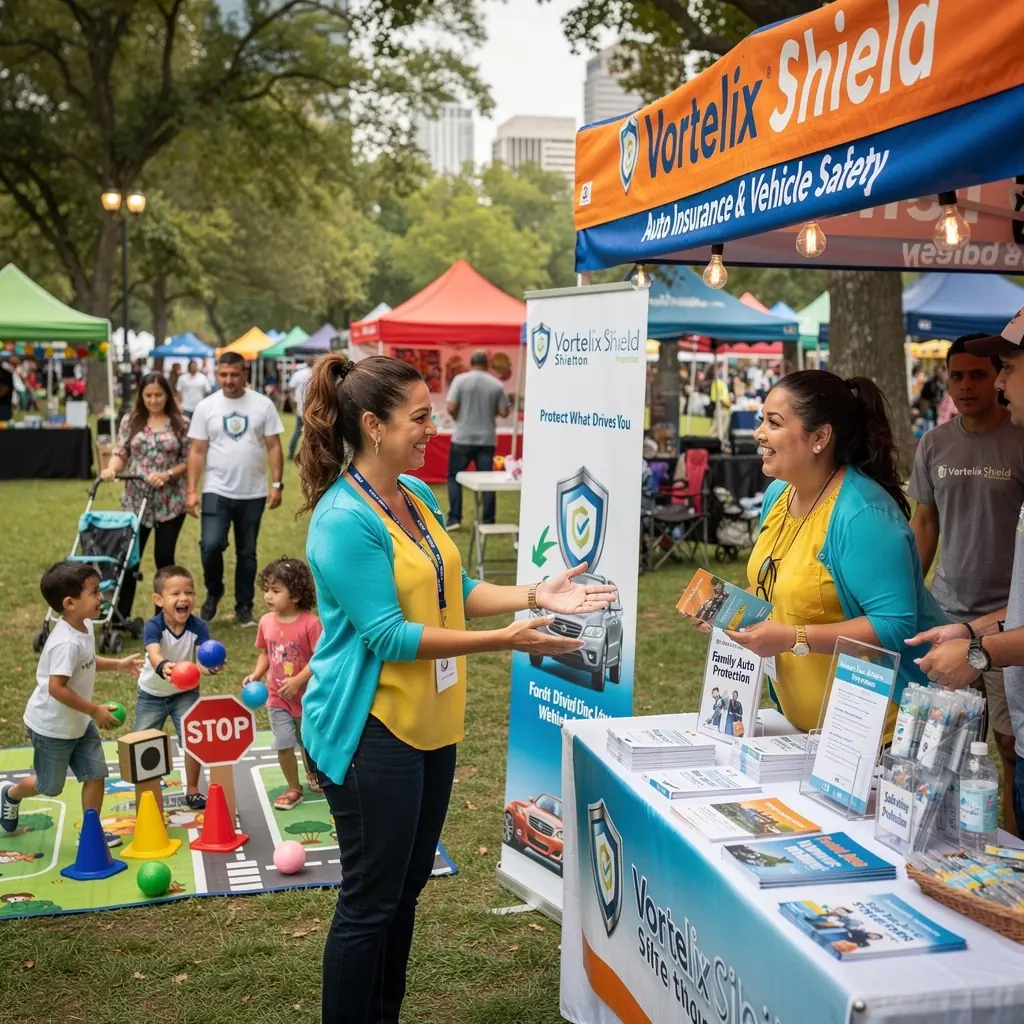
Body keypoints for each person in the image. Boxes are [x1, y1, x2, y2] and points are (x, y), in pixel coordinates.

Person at [297, 353, 616, 1024]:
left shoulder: (414, 496)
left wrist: (536, 590)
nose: (433, 426)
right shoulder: (342, 520)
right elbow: (388, 635)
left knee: (404, 889)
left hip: (429, 722)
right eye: (419, 416)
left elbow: (454, 590)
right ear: (373, 426)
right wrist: (507, 640)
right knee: (370, 900)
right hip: (369, 731)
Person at [684, 370, 944, 733]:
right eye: (761, 420)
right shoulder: (779, 494)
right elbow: (789, 592)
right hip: (803, 728)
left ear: (820, 437)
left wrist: (794, 638)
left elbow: (895, 625)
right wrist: (730, 612)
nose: (759, 433)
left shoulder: (862, 515)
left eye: (773, 423)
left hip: (879, 736)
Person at [909, 309, 1024, 835]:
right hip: (955, 615)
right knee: (948, 737)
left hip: (1007, 623)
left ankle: (1009, 839)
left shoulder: (1019, 439)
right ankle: (955, 839)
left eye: (990, 371)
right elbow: (925, 523)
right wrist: (915, 592)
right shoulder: (934, 444)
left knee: (1008, 742)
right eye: (960, 375)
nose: (976, 384)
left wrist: (981, 644)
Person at [0, 563, 142, 845]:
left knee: (96, 774)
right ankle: (10, 793)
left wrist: (117, 664)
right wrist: (95, 710)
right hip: (52, 728)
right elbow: (56, 688)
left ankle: (89, 833)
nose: (101, 597)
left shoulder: (85, 625)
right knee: (49, 787)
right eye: (94, 592)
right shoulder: (65, 643)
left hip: (79, 723)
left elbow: (87, 663)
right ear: (70, 603)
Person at [186, 352, 285, 626]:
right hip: (216, 489)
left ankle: (244, 605)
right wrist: (192, 490)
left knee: (247, 552)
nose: (228, 380)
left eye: (234, 374)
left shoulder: (263, 405)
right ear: (217, 374)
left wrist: (276, 484)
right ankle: (214, 592)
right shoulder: (206, 407)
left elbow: (274, 445)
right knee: (211, 545)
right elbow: (196, 451)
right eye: (223, 374)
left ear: (245, 373)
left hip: (252, 491)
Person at [101, 372, 191, 621]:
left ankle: (163, 617)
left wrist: (168, 474)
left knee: (164, 557)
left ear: (168, 395)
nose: (153, 400)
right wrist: (112, 468)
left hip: (170, 502)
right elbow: (121, 451)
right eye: (148, 395)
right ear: (141, 396)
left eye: (159, 394)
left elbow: (188, 460)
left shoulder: (180, 423)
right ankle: (121, 616)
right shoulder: (131, 421)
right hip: (135, 501)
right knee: (129, 558)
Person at [135, 565, 222, 810]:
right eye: (175, 594)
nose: (184, 598)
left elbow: (201, 662)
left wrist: (210, 668)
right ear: (159, 600)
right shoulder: (154, 626)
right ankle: (148, 788)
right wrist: (163, 666)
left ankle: (193, 789)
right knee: (142, 742)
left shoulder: (199, 627)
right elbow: (153, 653)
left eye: (189, 592)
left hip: (186, 693)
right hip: (152, 694)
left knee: (194, 740)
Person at [242, 557, 322, 809]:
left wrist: (298, 681)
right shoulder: (266, 622)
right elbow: (265, 652)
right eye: (266, 589)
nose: (268, 596)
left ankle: (315, 773)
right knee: (284, 743)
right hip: (277, 698)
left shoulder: (311, 624)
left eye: (276, 591)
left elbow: (320, 660)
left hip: (308, 698)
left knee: (310, 741)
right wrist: (256, 674)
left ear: (296, 595)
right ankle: (293, 788)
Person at [444, 350, 510, 529]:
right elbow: (504, 411)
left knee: (454, 476)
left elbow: (450, 406)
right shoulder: (496, 384)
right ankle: (488, 520)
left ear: (470, 362)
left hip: (462, 436)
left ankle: (454, 518)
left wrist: (459, 418)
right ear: (487, 364)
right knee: (487, 480)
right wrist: (491, 411)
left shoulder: (460, 380)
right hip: (486, 438)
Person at [287, 356, 316, 462]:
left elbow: (290, 388)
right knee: (311, 435)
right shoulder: (316, 374)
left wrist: (292, 401)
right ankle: (308, 457)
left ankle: (291, 453)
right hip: (313, 410)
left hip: (300, 408)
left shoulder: (298, 374)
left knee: (297, 432)